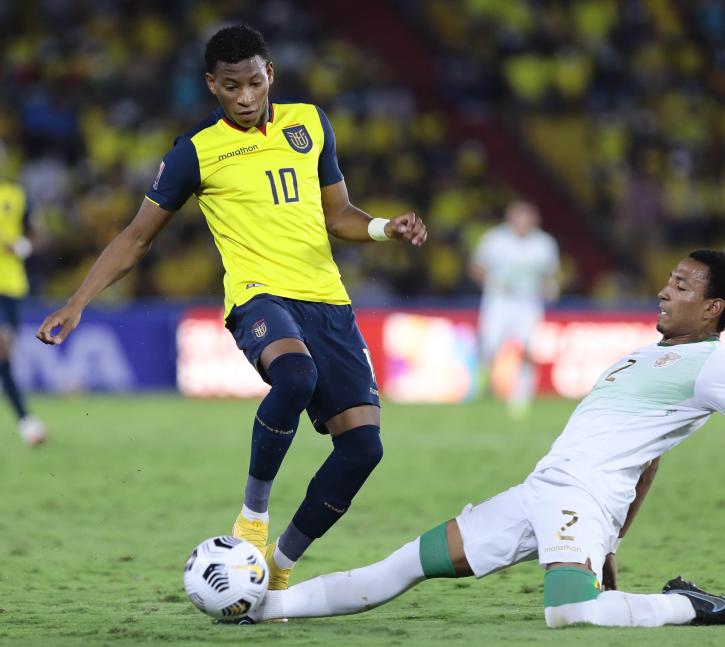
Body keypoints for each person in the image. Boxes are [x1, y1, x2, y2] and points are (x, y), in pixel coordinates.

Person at [239, 250, 725, 627]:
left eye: (682, 286)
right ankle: (257, 607)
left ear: (713, 309)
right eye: (669, 280)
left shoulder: (716, 365)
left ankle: (690, 608)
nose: (664, 290)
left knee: (570, 613)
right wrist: (611, 540)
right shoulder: (637, 357)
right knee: (400, 567)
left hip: (580, 498)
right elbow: (646, 456)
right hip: (543, 492)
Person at [35, 25, 427, 590]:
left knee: (364, 448)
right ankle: (253, 518)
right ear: (211, 86)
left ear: (271, 75)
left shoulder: (310, 123)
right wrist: (77, 302)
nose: (245, 97)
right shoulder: (195, 153)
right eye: (231, 86)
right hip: (258, 297)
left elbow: (337, 214)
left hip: (328, 302)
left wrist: (388, 227)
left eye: (254, 82)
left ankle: (278, 566)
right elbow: (137, 238)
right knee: (293, 375)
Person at [470, 200, 559, 417]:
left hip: (528, 303)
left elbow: (549, 276)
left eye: (527, 218)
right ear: (510, 219)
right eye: (518, 217)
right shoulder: (495, 239)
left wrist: (550, 288)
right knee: (490, 347)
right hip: (498, 301)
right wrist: (493, 283)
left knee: (528, 348)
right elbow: (476, 267)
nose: (523, 222)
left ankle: (521, 398)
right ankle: (485, 388)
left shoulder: (544, 244)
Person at [0, 173, 45, 445]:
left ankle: (25, 420)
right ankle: (26, 421)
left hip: (10, 287)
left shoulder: (17, 196)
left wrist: (20, 246)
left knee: (4, 356)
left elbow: (39, 235)